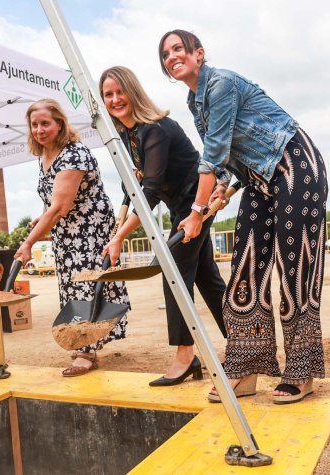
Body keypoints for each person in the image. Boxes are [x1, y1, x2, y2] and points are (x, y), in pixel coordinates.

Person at [158, 30, 328, 404]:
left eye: (178, 49)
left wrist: (197, 212)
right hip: (256, 180)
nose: (172, 56)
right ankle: (246, 369)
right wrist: (223, 188)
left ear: (198, 54)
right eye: (165, 54)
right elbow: (228, 157)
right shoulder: (194, 100)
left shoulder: (220, 84)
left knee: (295, 267)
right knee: (245, 267)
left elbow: (214, 150)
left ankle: (301, 373)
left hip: (294, 164)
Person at [98, 66, 227, 386]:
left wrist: (118, 239)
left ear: (133, 91)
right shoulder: (128, 135)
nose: (115, 99)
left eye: (119, 91)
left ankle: (185, 356)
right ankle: (244, 344)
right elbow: (134, 185)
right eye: (108, 94)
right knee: (205, 277)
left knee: (173, 273)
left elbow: (150, 191)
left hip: (196, 204)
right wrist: (120, 224)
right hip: (180, 206)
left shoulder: (154, 129)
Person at [14, 99, 129, 377]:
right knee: (71, 287)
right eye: (35, 125)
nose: (40, 130)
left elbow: (60, 207)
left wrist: (29, 242)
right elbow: (52, 202)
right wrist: (41, 219)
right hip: (67, 232)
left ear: (60, 124)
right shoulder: (44, 155)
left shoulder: (74, 154)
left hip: (90, 229)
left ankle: (86, 351)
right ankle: (85, 344)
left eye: (45, 123)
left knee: (85, 284)